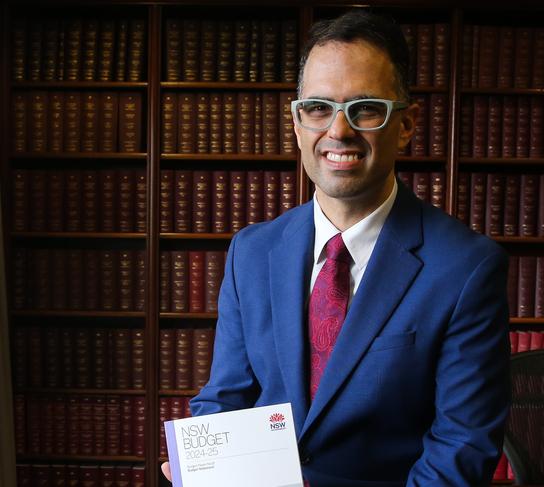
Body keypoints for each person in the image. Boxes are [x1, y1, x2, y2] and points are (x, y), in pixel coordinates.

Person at [162, 9, 510, 486]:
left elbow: (461, 448)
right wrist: (204, 468)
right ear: (297, 122)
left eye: (365, 108)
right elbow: (227, 397)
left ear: (405, 125)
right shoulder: (251, 251)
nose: (338, 132)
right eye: (319, 108)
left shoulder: (465, 267)